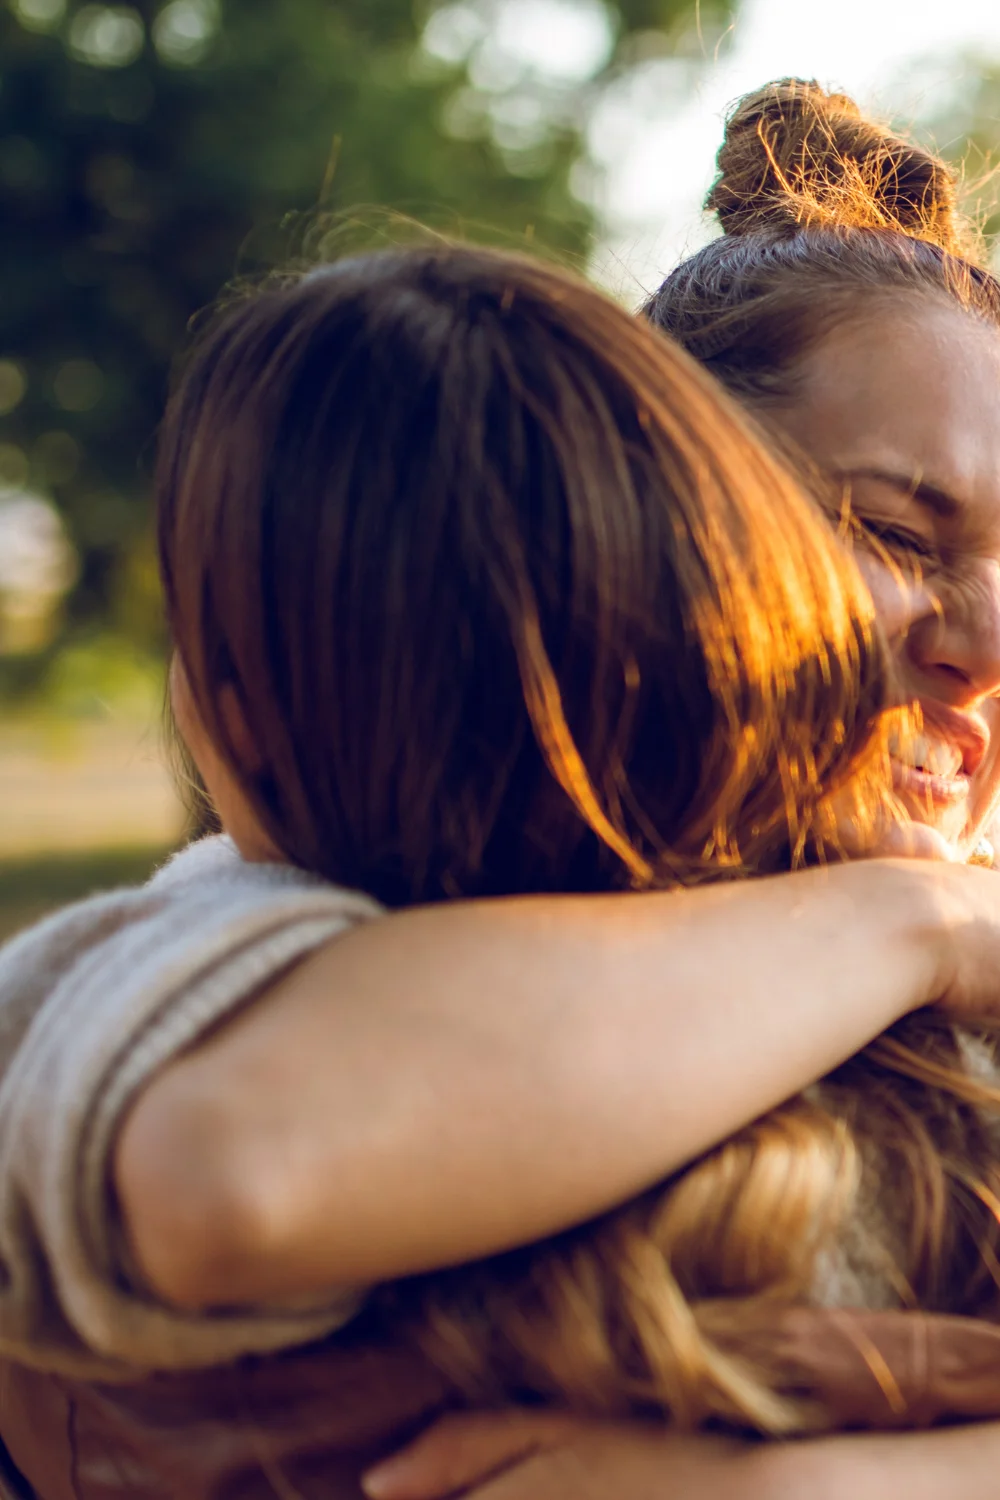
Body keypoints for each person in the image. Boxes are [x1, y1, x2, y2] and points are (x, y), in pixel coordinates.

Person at [0, 240, 996, 1500]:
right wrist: (920, 919)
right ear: (690, 543)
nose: (990, 638)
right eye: (894, 531)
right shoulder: (231, 967)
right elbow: (240, 1164)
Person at [362, 76, 1000, 1500]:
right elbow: (200, 1180)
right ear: (660, 521)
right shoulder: (339, 946)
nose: (988, 646)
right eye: (898, 530)